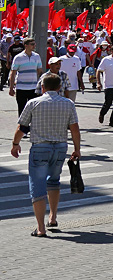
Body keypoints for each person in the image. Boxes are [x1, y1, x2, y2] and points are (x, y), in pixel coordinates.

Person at [11, 72, 80, 237]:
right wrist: (77, 149)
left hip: (40, 148)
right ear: (59, 87)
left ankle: (41, 228)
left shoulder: (33, 103)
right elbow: (74, 128)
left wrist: (15, 144)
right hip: (60, 148)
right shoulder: (68, 103)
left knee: (37, 185)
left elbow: (22, 127)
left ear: (42, 87)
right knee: (54, 181)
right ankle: (53, 217)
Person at [8, 37, 42, 115]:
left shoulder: (37, 56)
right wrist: (11, 88)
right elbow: (13, 73)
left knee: (33, 110)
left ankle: (32, 127)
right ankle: (22, 127)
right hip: (21, 88)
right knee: (22, 110)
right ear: (26, 45)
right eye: (32, 44)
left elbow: (40, 72)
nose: (34, 46)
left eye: (34, 44)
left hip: (33, 88)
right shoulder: (18, 58)